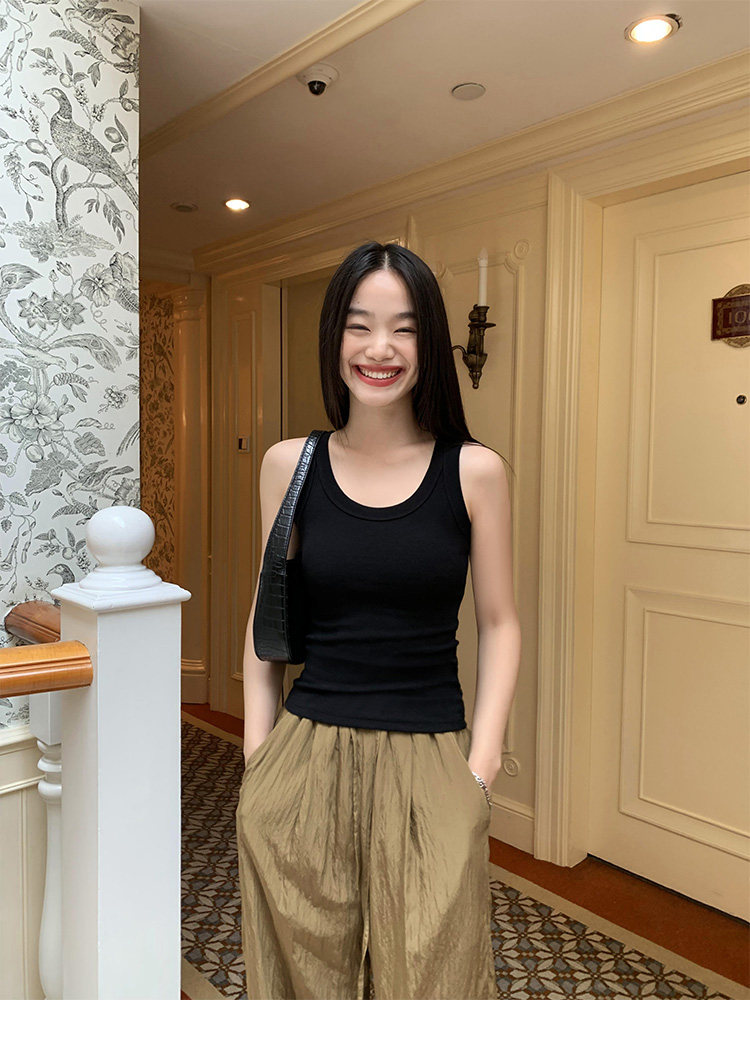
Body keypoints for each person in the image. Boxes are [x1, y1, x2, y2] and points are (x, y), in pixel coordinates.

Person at [235, 240, 521, 999]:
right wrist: (258, 761)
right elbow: (265, 621)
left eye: (404, 329)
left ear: (431, 343)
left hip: (431, 756)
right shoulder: (287, 465)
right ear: (335, 337)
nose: (379, 348)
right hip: (305, 753)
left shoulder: (474, 471)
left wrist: (482, 768)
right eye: (359, 326)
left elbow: (501, 623)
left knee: (433, 983)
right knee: (304, 984)